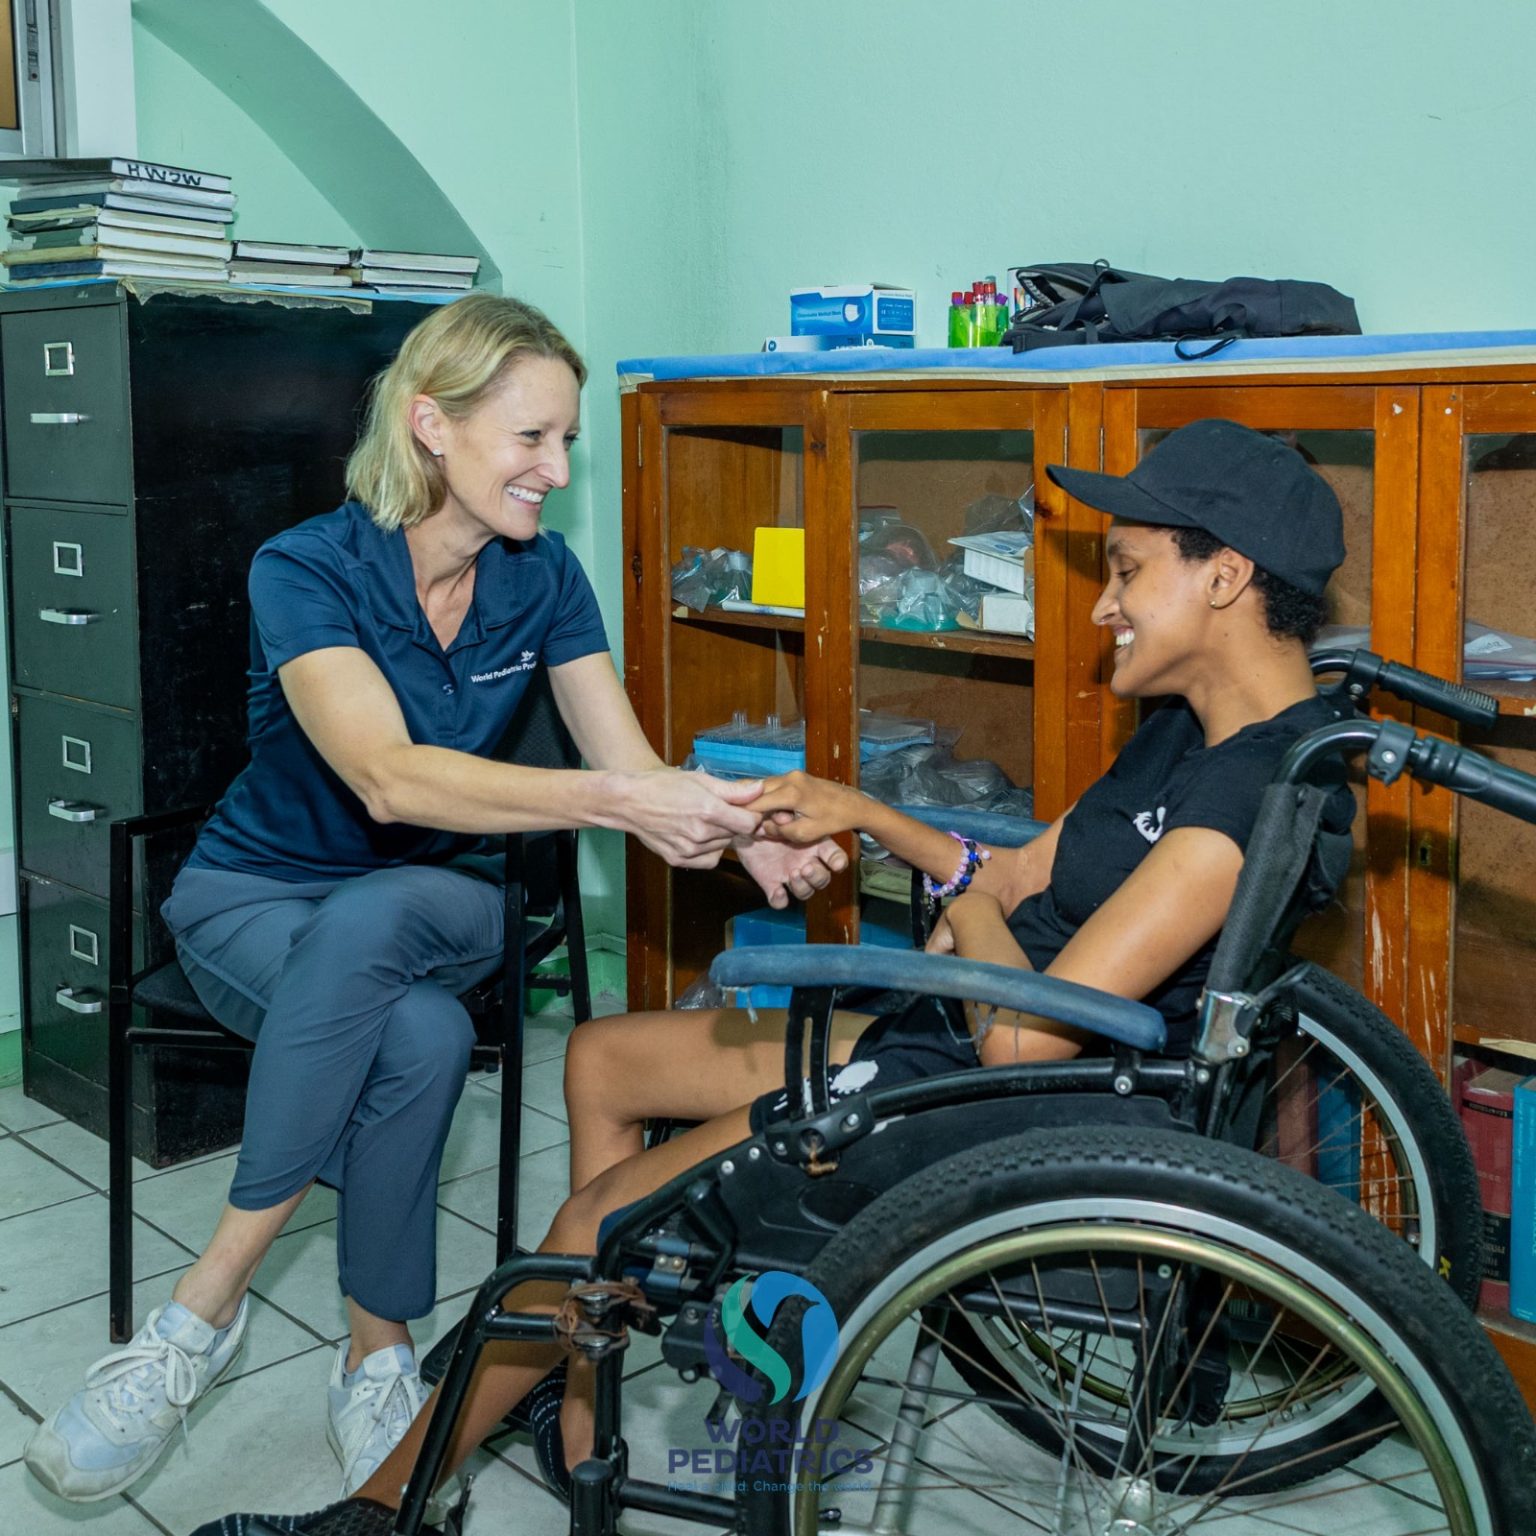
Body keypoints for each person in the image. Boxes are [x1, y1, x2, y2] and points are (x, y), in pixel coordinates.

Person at [184, 416, 1357, 1536]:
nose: (1102, 604)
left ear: (1225, 577)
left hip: (1003, 1093)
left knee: (594, 1220)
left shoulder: (1243, 797)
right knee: (604, 1057)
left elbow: (1024, 1036)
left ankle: (383, 1507)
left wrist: (951, 891)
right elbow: (1014, 874)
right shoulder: (1190, 734)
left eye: (1127, 571)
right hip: (961, 1036)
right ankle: (582, 1406)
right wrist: (878, 820)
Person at [23, 294, 844, 1507]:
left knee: (384, 921)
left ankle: (200, 1312)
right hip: (251, 897)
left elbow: (628, 764)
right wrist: (624, 801)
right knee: (420, 1034)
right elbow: (387, 777)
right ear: (431, 425)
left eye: (567, 441)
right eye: (532, 438)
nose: (557, 470)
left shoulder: (545, 578)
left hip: (448, 900)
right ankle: (380, 1357)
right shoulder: (304, 567)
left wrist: (735, 835)